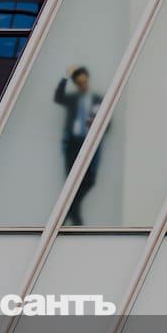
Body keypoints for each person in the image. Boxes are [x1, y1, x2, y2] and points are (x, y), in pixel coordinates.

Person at [54, 65, 102, 226]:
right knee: (72, 182)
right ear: (76, 84)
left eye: (85, 82)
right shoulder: (72, 99)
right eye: (79, 83)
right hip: (73, 144)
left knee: (90, 180)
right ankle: (74, 219)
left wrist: (96, 123)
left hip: (89, 145)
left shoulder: (98, 100)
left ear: (88, 80)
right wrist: (65, 76)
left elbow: (108, 124)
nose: (83, 86)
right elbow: (58, 98)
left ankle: (67, 214)